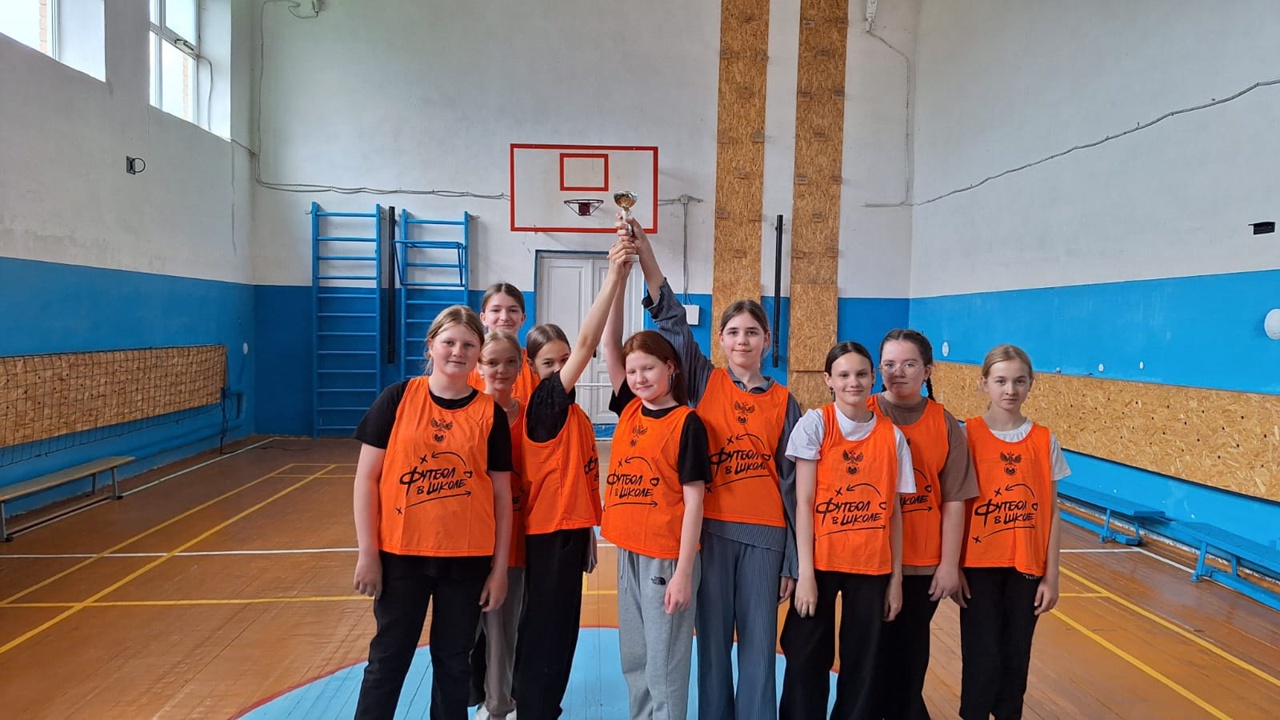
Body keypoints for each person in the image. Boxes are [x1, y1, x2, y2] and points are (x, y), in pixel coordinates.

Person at [618, 215, 800, 720]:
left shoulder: (786, 403)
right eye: (733, 332)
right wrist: (645, 250)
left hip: (766, 538)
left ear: (767, 340)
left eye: (752, 332)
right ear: (720, 339)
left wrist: (792, 559)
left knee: (759, 649)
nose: (743, 340)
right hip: (711, 535)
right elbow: (671, 320)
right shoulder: (703, 380)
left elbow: (792, 487)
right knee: (713, 646)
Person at [351, 305, 513, 720]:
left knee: (454, 663)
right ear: (431, 346)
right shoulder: (398, 398)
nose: (458, 351)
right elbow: (366, 479)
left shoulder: (490, 413)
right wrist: (368, 553)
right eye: (449, 342)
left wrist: (498, 570)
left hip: (467, 558)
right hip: (400, 555)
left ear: (479, 353)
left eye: (468, 345)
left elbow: (501, 497)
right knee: (388, 658)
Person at [511, 238, 637, 720]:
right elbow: (589, 344)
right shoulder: (544, 405)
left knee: (562, 627)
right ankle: (533, 708)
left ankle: (543, 705)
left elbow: (576, 478)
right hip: (547, 534)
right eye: (550, 362)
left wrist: (586, 533)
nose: (562, 368)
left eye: (564, 359)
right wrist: (613, 276)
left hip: (569, 531)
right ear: (533, 368)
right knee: (545, 627)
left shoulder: (575, 415)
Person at [780, 341, 913, 720]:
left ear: (873, 378)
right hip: (820, 564)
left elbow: (895, 514)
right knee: (805, 656)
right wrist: (805, 574)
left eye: (861, 374)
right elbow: (803, 504)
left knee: (863, 664)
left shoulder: (892, 437)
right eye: (843, 375)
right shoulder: (815, 425)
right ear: (829, 380)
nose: (853, 382)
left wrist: (896, 579)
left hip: (872, 566)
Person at [601, 276, 710, 720]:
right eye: (632, 371)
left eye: (648, 368)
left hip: (666, 558)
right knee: (636, 658)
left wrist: (683, 572)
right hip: (628, 549)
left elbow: (695, 502)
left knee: (664, 662)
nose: (639, 378)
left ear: (671, 368)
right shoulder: (630, 408)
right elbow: (609, 346)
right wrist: (618, 280)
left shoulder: (687, 423)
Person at [870, 329, 978, 720]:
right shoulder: (863, 411)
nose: (897, 372)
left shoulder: (944, 423)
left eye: (909, 364)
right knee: (872, 659)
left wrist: (949, 564)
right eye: (889, 364)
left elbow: (954, 499)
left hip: (922, 564)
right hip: (870, 560)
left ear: (927, 370)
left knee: (909, 658)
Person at [956, 344, 1068, 720]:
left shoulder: (1044, 440)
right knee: (981, 654)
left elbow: (1051, 511)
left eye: (1019, 381)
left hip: (1026, 567)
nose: (1010, 390)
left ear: (1031, 384)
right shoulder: (966, 435)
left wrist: (1052, 575)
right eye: (1001, 381)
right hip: (977, 566)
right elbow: (954, 505)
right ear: (984, 383)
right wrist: (952, 565)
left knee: (1015, 655)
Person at [469, 331, 528, 720]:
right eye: (492, 362)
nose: (501, 370)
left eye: (509, 362)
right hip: (467, 542)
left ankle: (498, 708)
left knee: (504, 634)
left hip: (513, 545)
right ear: (479, 366)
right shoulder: (467, 412)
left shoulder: (531, 416)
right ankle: (461, 700)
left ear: (521, 365)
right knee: (460, 636)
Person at [468, 282, 539, 404]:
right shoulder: (468, 364)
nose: (504, 317)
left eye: (512, 310)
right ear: (483, 318)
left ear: (523, 318)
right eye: (496, 310)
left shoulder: (534, 363)